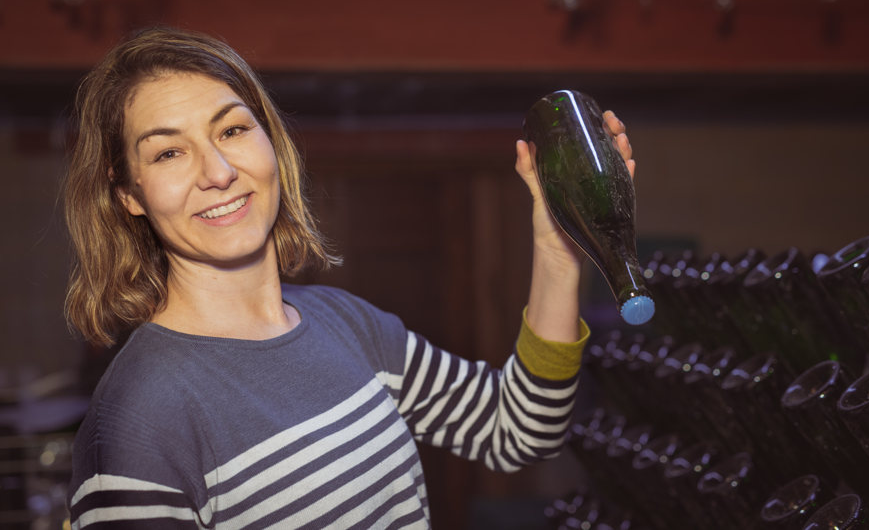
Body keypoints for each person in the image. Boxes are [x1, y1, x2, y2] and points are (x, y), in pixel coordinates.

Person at [63, 26, 636, 529]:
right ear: (128, 192)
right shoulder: (137, 420)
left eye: (232, 130)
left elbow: (520, 430)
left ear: (270, 141)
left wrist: (557, 247)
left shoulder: (345, 323)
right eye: (168, 153)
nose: (218, 171)